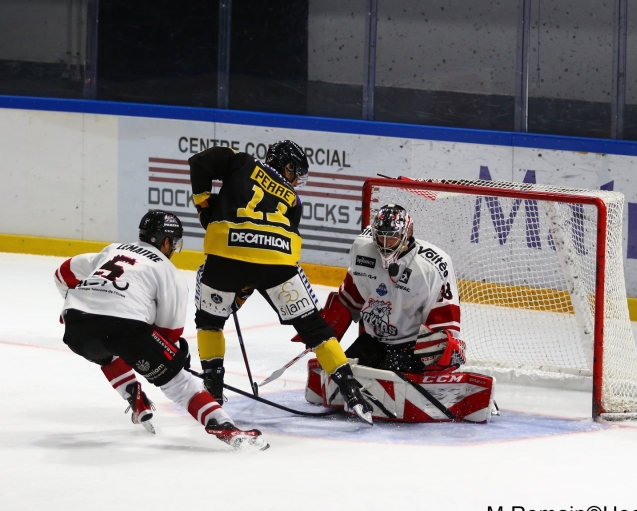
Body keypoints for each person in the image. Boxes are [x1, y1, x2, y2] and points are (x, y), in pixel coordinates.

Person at [189, 140, 373, 424]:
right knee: (314, 326)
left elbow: (199, 162)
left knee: (209, 321)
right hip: (277, 263)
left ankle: (213, 387)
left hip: (226, 255)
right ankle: (350, 389)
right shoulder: (294, 200)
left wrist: (204, 205)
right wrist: (249, 282)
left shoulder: (240, 161)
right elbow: (267, 251)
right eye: (295, 171)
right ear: (285, 165)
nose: (296, 180)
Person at [54, 210, 267, 450]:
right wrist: (173, 360)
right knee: (179, 383)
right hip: (124, 328)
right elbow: (169, 332)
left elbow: (62, 273)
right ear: (166, 241)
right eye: (174, 243)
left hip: (76, 327)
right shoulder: (168, 271)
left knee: (108, 350)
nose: (174, 249)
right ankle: (226, 428)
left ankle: (135, 398)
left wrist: (79, 305)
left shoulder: (112, 250)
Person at [318, 204, 466, 374]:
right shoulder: (362, 251)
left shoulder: (432, 266)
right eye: (381, 237)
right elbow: (349, 300)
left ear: (407, 233)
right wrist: (323, 336)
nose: (386, 244)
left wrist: (434, 362)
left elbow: (445, 322)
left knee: (392, 392)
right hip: (371, 342)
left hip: (409, 349)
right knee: (335, 382)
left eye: (392, 237)